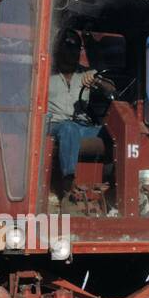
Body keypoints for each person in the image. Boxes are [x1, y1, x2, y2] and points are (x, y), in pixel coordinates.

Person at [47, 28, 113, 200]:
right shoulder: (44, 74)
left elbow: (112, 90)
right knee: (69, 129)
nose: (72, 52)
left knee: (109, 131)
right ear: (57, 49)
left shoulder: (87, 73)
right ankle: (68, 182)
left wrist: (96, 79)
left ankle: (111, 179)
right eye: (67, 47)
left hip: (83, 126)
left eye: (76, 48)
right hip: (54, 125)